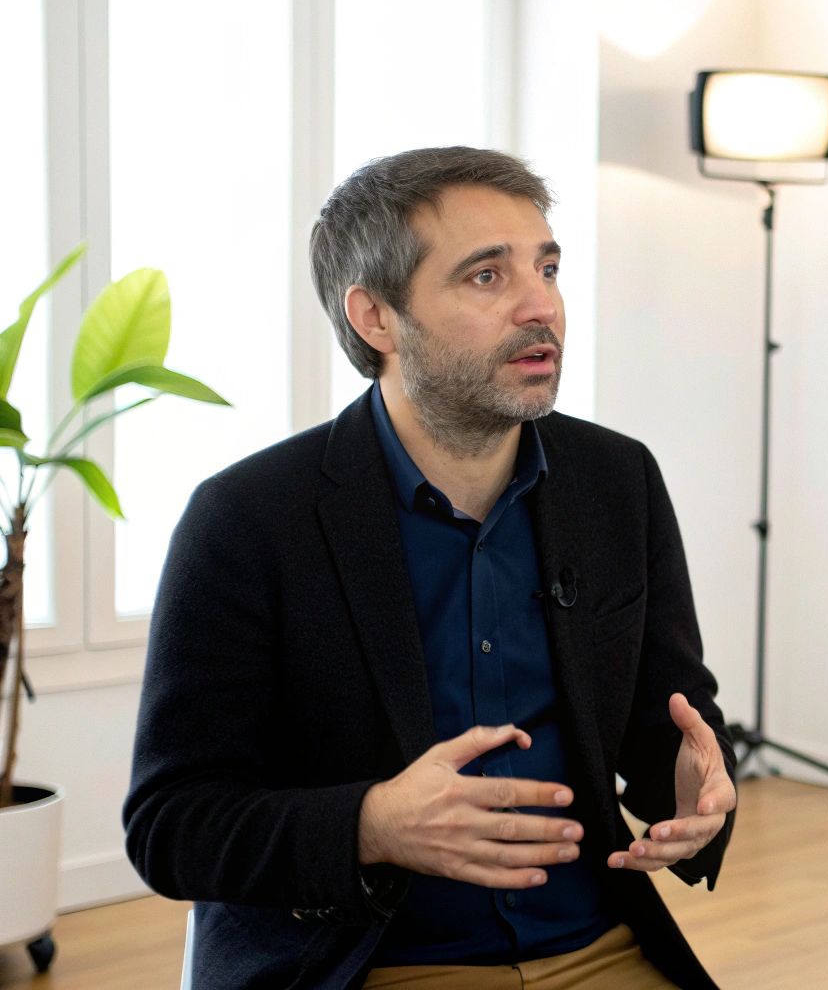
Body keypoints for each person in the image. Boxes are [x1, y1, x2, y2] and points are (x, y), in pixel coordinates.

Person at [124, 147, 736, 990]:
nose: (542, 306)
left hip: (599, 947)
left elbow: (672, 716)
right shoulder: (248, 517)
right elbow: (171, 826)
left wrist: (696, 788)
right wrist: (373, 823)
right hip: (368, 965)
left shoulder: (617, 480)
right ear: (376, 318)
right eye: (486, 276)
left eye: (547, 268)